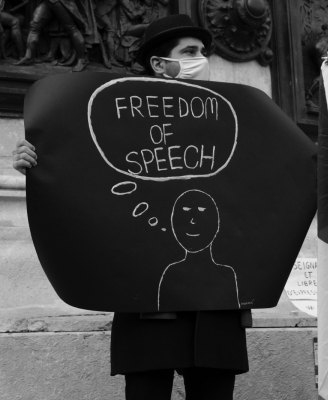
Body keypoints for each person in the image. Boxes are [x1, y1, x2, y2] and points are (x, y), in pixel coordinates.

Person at [12, 14, 250, 400]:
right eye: (189, 52)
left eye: (203, 52)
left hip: (216, 306)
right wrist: (36, 164)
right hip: (145, 301)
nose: (201, 59)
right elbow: (83, 178)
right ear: (159, 63)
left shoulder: (235, 119)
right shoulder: (119, 122)